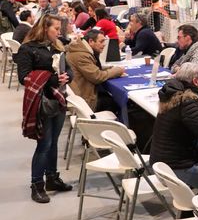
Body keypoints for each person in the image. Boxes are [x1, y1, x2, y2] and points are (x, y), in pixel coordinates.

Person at [16, 14, 74, 203]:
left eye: (59, 29)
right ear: (44, 28)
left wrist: (68, 77)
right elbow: (24, 77)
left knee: (54, 142)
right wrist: (53, 79)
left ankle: (51, 179)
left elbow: (68, 68)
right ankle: (36, 185)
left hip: (59, 99)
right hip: (42, 102)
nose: (59, 32)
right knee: (44, 144)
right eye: (55, 29)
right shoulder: (27, 49)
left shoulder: (57, 45)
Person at [150, 63, 198, 188]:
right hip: (176, 170)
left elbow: (196, 122)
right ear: (195, 81)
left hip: (163, 166)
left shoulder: (172, 94)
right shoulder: (187, 101)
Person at [65, 29, 124, 111]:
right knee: (116, 102)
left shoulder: (81, 50)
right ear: (91, 41)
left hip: (82, 94)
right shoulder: (81, 55)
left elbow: (92, 67)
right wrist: (118, 70)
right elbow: (97, 77)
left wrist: (109, 67)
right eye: (101, 41)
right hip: (85, 101)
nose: (104, 45)